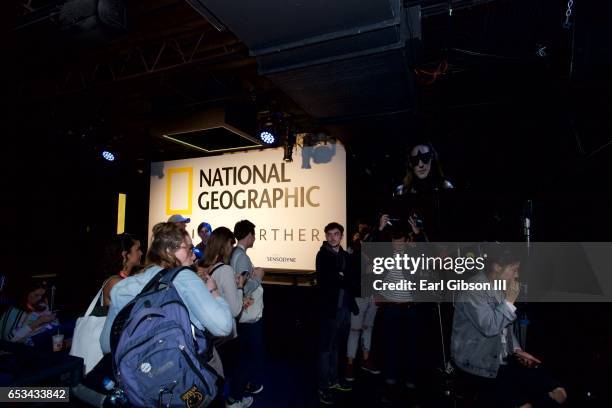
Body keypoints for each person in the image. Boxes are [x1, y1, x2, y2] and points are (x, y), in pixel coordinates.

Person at [451, 245, 567, 407]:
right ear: (497, 267)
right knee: (524, 404)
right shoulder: (473, 290)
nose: (517, 275)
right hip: (478, 364)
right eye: (514, 269)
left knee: (559, 392)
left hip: (503, 358)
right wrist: (509, 301)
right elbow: (490, 327)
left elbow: (504, 330)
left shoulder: (498, 285)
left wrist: (518, 351)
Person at [100, 222, 233, 361]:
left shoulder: (123, 288)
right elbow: (223, 326)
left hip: (139, 375)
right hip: (182, 373)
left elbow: (106, 345)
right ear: (169, 251)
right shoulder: (185, 278)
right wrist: (213, 290)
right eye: (189, 248)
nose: (193, 256)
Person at [199, 226, 251, 408]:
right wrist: (239, 286)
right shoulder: (226, 271)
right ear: (225, 245)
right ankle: (233, 401)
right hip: (227, 334)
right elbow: (235, 309)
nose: (232, 248)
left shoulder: (201, 268)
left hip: (209, 333)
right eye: (231, 244)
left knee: (214, 376)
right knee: (234, 372)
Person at [316, 222, 359, 405]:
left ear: (341, 236)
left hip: (344, 309)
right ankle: (323, 387)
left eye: (336, 234)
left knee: (336, 348)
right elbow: (328, 279)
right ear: (326, 236)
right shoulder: (322, 254)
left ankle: (333, 380)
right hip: (329, 310)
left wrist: (342, 276)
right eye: (329, 234)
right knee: (325, 350)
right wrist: (342, 277)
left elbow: (349, 278)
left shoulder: (345, 255)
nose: (333, 237)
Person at [230, 220, 266, 396]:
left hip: (238, 314)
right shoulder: (242, 256)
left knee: (242, 354)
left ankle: (241, 386)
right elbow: (242, 287)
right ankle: (244, 387)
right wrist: (258, 277)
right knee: (249, 353)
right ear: (250, 235)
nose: (255, 237)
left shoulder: (233, 253)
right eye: (254, 234)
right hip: (246, 315)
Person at [0, 279, 60, 351]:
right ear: (26, 293)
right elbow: (9, 338)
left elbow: (54, 323)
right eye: (36, 295)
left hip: (49, 339)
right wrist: (39, 321)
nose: (40, 298)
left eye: (42, 295)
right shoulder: (15, 311)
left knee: (70, 338)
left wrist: (52, 321)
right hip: (32, 348)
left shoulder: (41, 306)